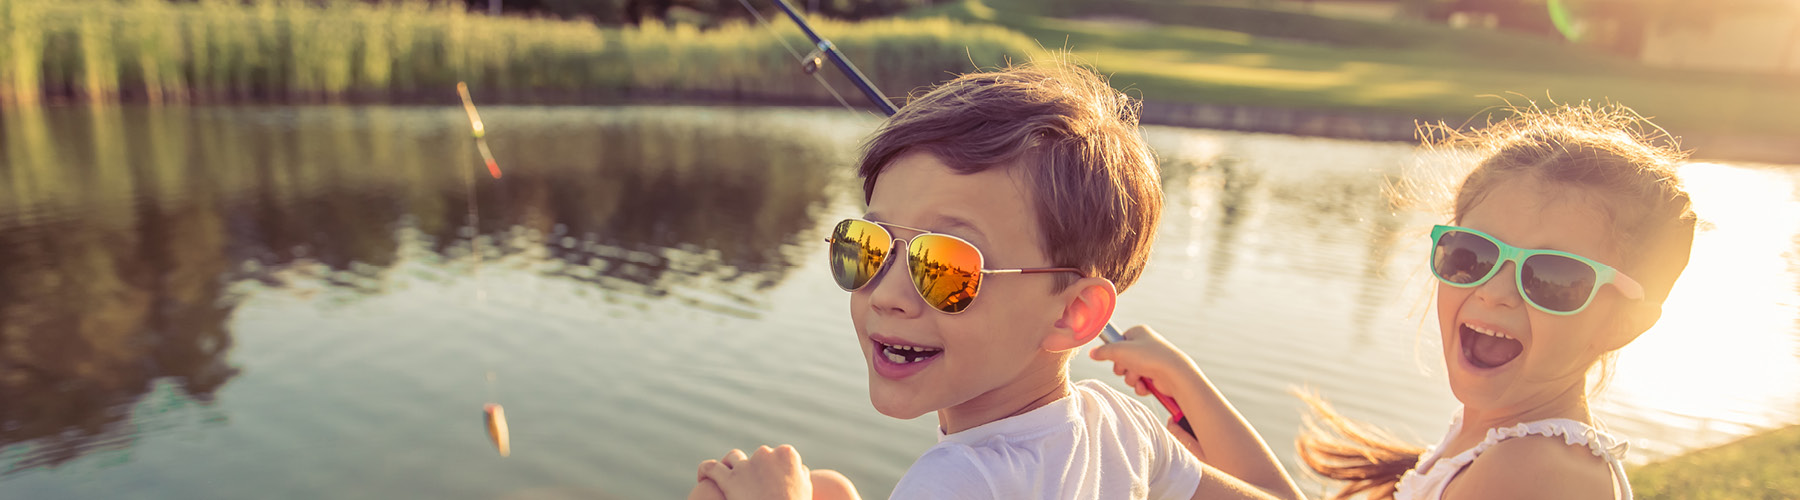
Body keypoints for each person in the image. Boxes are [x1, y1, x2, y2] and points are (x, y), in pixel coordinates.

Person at [688, 59, 1305, 500]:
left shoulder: (955, 482)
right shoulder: (1121, 428)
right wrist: (1186, 380)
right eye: (868, 247)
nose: (889, 295)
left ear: (1072, 315)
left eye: (947, 267)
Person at [1268, 104, 1691, 499]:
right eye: (1473, 254)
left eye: (1553, 277)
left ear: (1623, 323)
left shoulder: (1536, 471)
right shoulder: (1493, 441)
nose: (1494, 291)